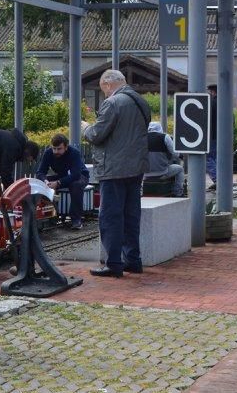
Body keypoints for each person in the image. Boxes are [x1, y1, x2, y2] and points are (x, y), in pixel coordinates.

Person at [84, 70, 152, 277]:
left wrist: (85, 128)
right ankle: (133, 260)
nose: (104, 93)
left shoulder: (113, 103)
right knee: (131, 215)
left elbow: (97, 135)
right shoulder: (141, 102)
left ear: (107, 84)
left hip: (113, 169)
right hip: (136, 168)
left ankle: (113, 263)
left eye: (103, 89)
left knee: (111, 217)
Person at [35, 133, 89, 228]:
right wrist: (46, 182)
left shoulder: (74, 153)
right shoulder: (48, 153)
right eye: (54, 148)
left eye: (59, 149)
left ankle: (76, 219)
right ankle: (49, 216)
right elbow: (40, 172)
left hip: (80, 175)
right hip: (63, 175)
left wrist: (58, 183)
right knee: (40, 183)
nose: (56, 151)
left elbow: (75, 175)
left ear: (66, 147)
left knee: (75, 185)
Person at [145, 120, 185, 197]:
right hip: (162, 172)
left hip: (145, 173)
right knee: (180, 169)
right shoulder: (165, 137)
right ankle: (177, 192)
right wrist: (181, 156)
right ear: (160, 128)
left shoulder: (141, 137)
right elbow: (175, 153)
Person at [206, 83, 219, 191]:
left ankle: (217, 180)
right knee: (217, 159)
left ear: (212, 92)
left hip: (212, 136)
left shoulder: (211, 103)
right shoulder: (225, 103)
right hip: (223, 137)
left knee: (209, 158)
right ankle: (221, 180)